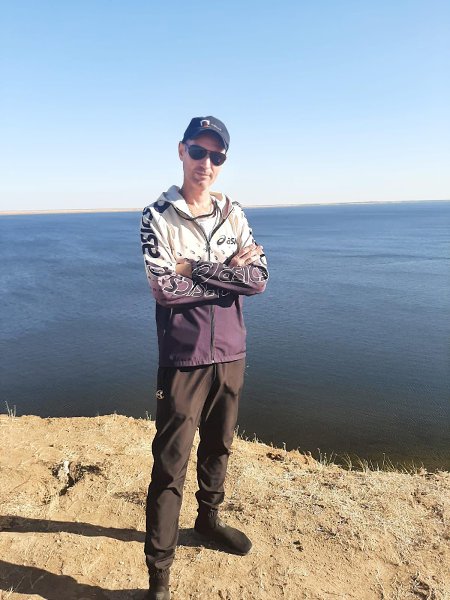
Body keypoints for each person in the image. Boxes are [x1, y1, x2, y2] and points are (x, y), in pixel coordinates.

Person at [139, 116, 269, 600]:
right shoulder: (157, 215)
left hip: (231, 354)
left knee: (220, 445)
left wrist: (194, 266)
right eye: (199, 151)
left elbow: (258, 280)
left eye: (217, 156)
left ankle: (209, 520)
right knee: (169, 466)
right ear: (182, 151)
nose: (207, 163)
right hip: (183, 359)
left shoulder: (234, 213)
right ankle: (160, 575)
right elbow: (164, 289)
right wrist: (228, 273)